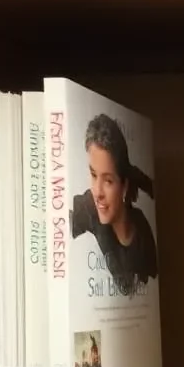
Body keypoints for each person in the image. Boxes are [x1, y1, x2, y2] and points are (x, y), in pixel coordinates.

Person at [71, 114, 159, 295]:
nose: (97, 192)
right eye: (94, 175)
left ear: (124, 185)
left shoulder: (142, 230)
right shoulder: (84, 208)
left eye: (108, 181)